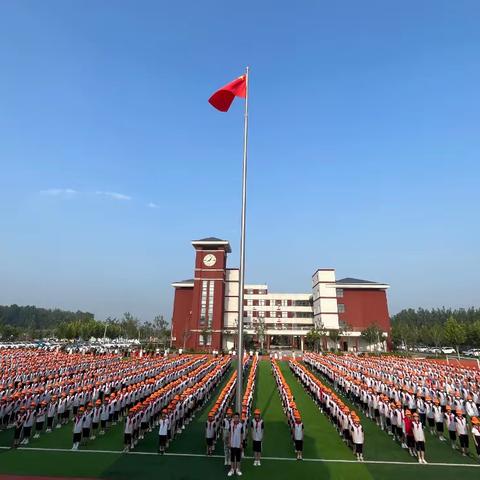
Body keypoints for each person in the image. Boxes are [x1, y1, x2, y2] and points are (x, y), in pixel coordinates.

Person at [228, 412, 243, 476]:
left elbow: (242, 434)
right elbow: (229, 434)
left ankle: (238, 469)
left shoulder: (240, 425)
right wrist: (229, 442)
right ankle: (232, 469)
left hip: (238, 444)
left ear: (239, 418)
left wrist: (241, 443)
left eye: (237, 417)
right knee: (232, 457)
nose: (236, 418)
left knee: (238, 457)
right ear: (233, 418)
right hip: (232, 443)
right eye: (235, 417)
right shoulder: (231, 424)